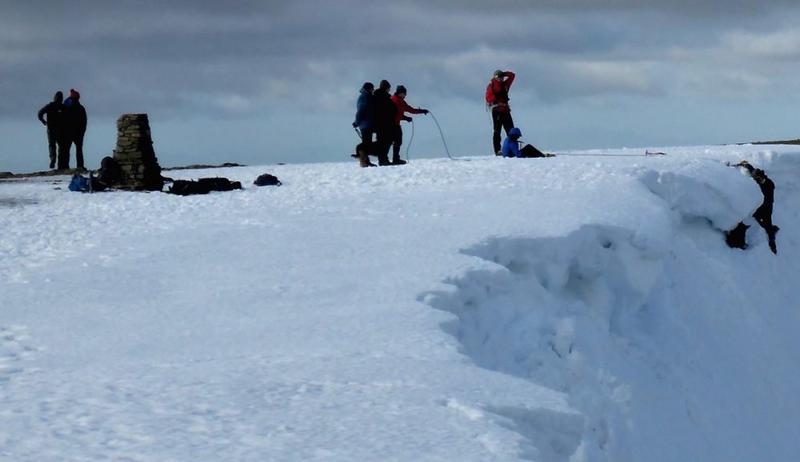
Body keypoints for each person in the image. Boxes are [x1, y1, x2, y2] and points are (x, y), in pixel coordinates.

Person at [389, 85, 428, 165]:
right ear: (400, 93)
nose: (405, 96)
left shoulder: (393, 99)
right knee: (397, 141)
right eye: (404, 94)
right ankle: (395, 159)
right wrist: (422, 111)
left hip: (390, 124)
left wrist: (405, 118)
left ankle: (391, 158)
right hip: (394, 125)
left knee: (392, 142)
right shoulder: (399, 101)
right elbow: (411, 110)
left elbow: (397, 114)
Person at [486, 69, 515, 155]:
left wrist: (503, 73)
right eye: (499, 77)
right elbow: (488, 98)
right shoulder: (491, 86)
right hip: (497, 111)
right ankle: (497, 150)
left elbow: (512, 75)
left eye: (502, 77)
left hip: (505, 110)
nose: (501, 79)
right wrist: (496, 99)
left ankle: (512, 148)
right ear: (495, 77)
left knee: (511, 131)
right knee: (497, 131)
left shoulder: (505, 84)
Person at [37, 91, 66, 169]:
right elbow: (68, 117)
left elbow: (40, 113)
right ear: (61, 98)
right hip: (60, 129)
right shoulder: (63, 107)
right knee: (61, 146)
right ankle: (60, 164)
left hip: (50, 129)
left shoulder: (49, 106)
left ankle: (53, 159)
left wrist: (43, 121)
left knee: (52, 145)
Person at [63, 88, 88, 171]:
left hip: (68, 132)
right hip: (78, 133)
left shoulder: (66, 107)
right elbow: (84, 122)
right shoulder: (81, 108)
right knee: (79, 150)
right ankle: (80, 166)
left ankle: (65, 166)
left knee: (66, 150)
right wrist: (82, 132)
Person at [353, 82, 377, 167]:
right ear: (368, 89)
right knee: (367, 143)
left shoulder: (367, 97)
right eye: (372, 88)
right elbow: (361, 111)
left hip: (367, 124)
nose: (373, 90)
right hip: (365, 124)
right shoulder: (365, 97)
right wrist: (357, 122)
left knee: (367, 143)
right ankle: (363, 160)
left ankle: (365, 161)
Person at [372, 80, 396, 166]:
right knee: (385, 142)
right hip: (383, 123)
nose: (389, 90)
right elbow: (388, 110)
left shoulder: (376, 96)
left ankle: (383, 160)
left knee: (383, 142)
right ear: (386, 88)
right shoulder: (383, 97)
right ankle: (383, 160)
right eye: (389, 88)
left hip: (380, 123)